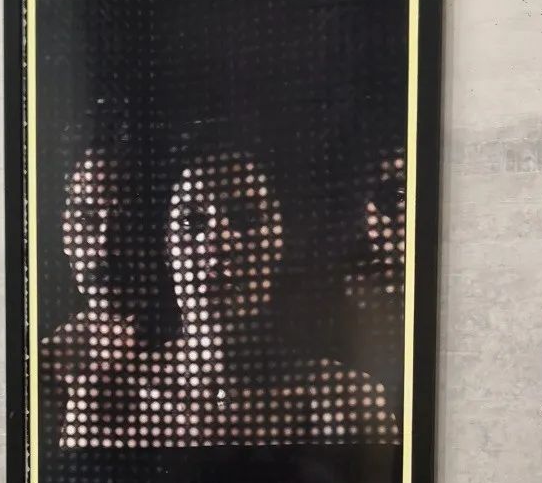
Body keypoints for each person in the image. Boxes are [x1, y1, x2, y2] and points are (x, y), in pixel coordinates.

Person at [50, 147, 398, 448]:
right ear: (167, 247)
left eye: (245, 218)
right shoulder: (106, 407)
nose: (217, 244)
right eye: (192, 222)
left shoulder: (345, 405)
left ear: (280, 242)